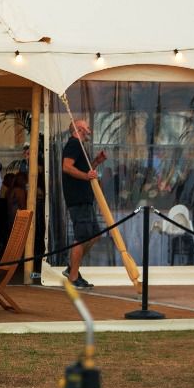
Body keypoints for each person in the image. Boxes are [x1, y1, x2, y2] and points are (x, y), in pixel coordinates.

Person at [60, 119, 107, 290]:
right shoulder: (74, 144)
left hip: (84, 199)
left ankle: (72, 267)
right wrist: (87, 177)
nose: (90, 130)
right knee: (82, 237)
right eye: (87, 127)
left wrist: (96, 162)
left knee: (94, 234)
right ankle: (73, 277)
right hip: (78, 199)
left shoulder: (79, 146)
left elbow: (86, 171)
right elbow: (67, 167)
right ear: (79, 129)